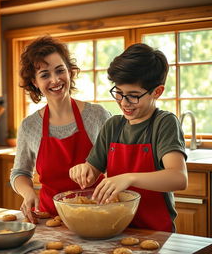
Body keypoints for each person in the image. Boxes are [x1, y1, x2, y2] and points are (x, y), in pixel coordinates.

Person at [69, 43, 188, 232]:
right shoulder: (113, 125)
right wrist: (83, 170)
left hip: (156, 232)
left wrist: (129, 178)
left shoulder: (164, 123)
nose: (124, 103)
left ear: (157, 92)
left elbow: (178, 178)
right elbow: (92, 173)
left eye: (133, 96)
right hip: (115, 228)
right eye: (119, 93)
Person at [10, 36, 111, 222]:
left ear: (70, 72)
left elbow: (116, 165)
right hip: (50, 219)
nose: (55, 80)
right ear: (34, 82)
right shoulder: (29, 126)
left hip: (98, 215)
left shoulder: (98, 115)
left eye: (60, 70)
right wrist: (28, 193)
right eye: (45, 75)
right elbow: (20, 173)